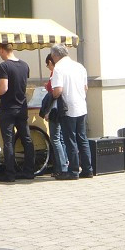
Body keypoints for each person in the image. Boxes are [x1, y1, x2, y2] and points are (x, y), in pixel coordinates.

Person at [0, 42, 34, 182]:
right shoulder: (25, 65)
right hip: (22, 106)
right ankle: (29, 171)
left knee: (8, 141)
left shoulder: (4, 66)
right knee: (26, 139)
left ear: (2, 50)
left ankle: (10, 174)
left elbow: (4, 88)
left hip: (8, 108)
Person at [49, 44, 91, 181]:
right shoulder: (79, 67)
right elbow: (86, 88)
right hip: (81, 106)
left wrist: (52, 96)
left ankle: (73, 171)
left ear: (55, 56)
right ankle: (87, 169)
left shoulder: (58, 69)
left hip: (68, 108)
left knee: (70, 140)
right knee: (82, 138)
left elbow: (58, 91)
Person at [41, 53, 69, 178]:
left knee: (56, 139)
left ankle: (62, 167)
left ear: (51, 63)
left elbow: (54, 94)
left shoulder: (56, 73)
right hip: (64, 109)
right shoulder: (65, 70)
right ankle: (65, 164)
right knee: (61, 139)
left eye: (48, 65)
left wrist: (47, 111)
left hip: (55, 110)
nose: (48, 67)